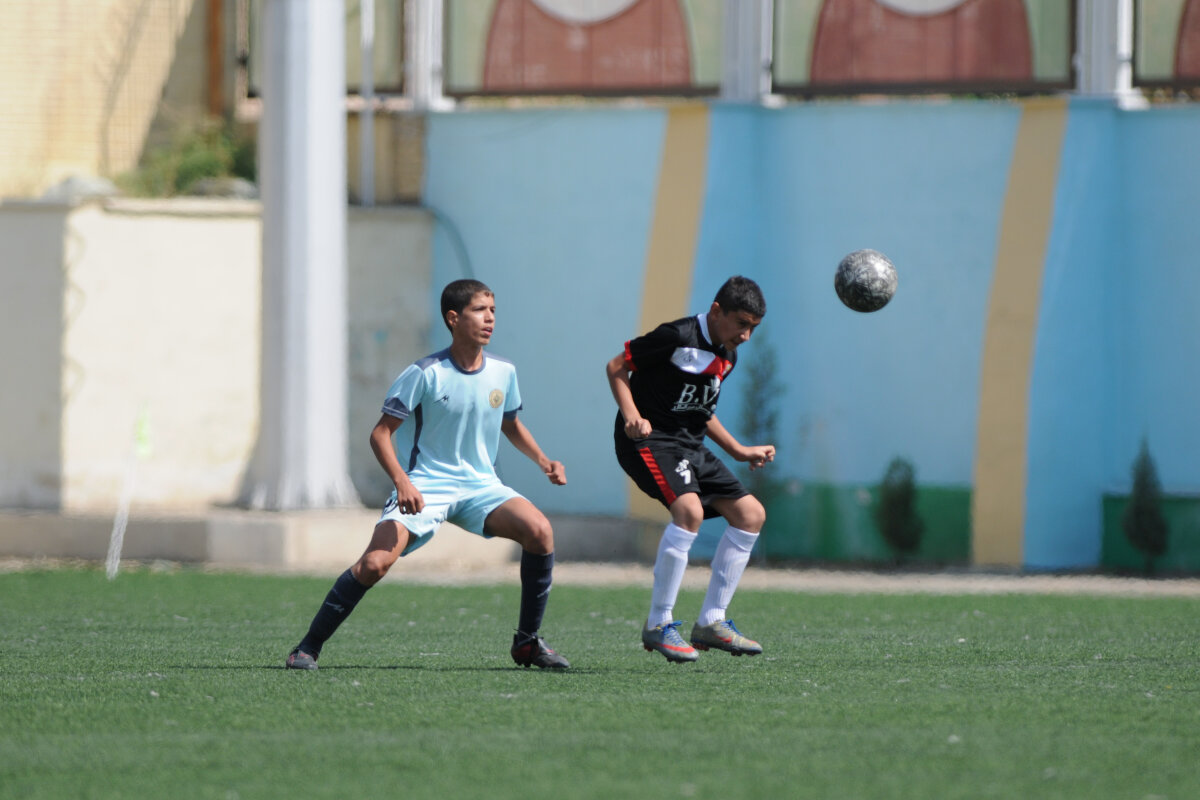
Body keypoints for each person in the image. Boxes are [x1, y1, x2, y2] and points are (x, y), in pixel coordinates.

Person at [286, 279, 570, 670]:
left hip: (481, 486)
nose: (489, 318)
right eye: (479, 310)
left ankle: (527, 643)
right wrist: (402, 481)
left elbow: (509, 423)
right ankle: (307, 648)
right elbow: (380, 434)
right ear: (453, 318)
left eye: (492, 311)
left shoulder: (504, 372)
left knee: (539, 531)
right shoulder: (425, 373)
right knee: (374, 565)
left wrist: (543, 460)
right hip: (426, 484)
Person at [605, 276, 775, 663]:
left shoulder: (727, 356)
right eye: (741, 324)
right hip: (649, 440)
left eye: (753, 328)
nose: (746, 336)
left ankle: (712, 622)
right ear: (716, 311)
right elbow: (616, 367)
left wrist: (738, 450)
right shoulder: (676, 336)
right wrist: (632, 416)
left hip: (689, 445)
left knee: (751, 514)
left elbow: (701, 411)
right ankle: (658, 623)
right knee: (689, 511)